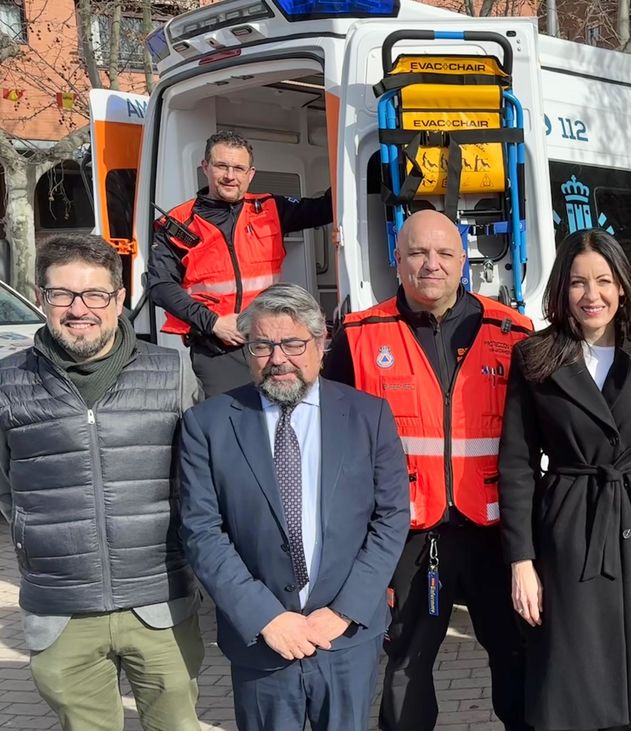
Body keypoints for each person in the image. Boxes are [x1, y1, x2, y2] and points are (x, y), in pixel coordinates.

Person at [321, 209, 534, 731]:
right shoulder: (358, 336)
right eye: (417, 252)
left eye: (444, 253)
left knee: (518, 660)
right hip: (407, 535)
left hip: (495, 532)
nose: (430, 264)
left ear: (465, 261)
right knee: (406, 666)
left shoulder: (514, 332)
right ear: (397, 260)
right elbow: (332, 442)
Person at [179, 283, 409, 731]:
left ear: (321, 344)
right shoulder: (207, 425)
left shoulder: (369, 416)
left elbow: (391, 517)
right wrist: (265, 616)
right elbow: (201, 531)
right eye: (262, 345)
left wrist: (344, 610)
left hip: (344, 637)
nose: (278, 359)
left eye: (293, 343)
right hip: (262, 639)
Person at [0, 234, 204, 731]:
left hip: (161, 600)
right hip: (61, 609)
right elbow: (6, 488)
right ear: (41, 296)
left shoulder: (172, 371)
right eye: (62, 294)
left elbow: (202, 479)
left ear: (117, 299)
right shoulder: (6, 382)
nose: (79, 309)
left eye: (95, 295)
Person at [498, 229, 631, 730]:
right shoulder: (535, 357)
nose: (592, 295)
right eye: (579, 283)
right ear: (562, 288)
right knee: (571, 674)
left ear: (623, 286)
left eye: (604, 281)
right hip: (567, 526)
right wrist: (521, 560)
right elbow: (517, 464)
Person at [149, 130, 333, 399]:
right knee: (230, 422)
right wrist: (213, 323)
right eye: (221, 166)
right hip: (217, 347)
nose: (230, 176)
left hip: (273, 341)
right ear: (206, 167)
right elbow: (160, 286)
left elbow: (325, 208)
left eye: (238, 168)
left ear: (251, 173)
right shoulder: (177, 224)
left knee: (282, 416)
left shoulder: (270, 208)